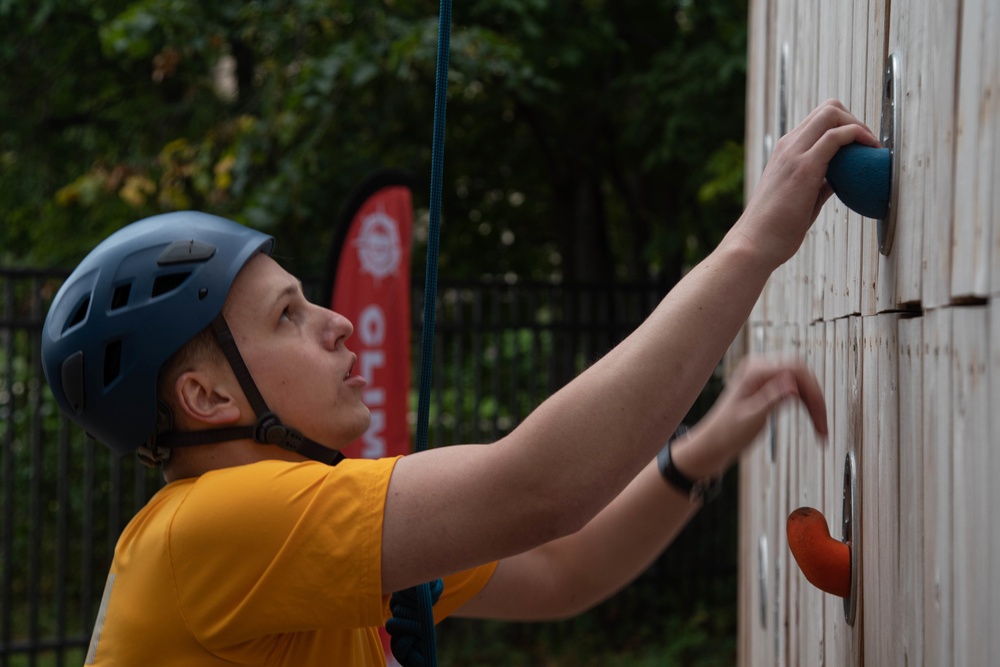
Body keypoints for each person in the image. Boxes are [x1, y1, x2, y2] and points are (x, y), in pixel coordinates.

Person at [41, 99, 876, 666]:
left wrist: (704, 446)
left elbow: (561, 567)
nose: (335, 321)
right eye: (287, 315)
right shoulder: (208, 528)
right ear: (207, 398)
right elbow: (540, 487)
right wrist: (752, 245)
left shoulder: (301, 538)